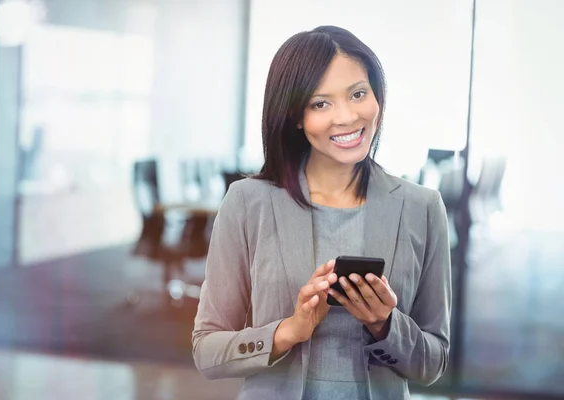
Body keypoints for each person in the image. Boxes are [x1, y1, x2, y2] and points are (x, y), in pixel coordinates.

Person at [192, 25, 451, 400]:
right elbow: (207, 350)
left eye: (358, 94)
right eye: (320, 103)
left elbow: (434, 362)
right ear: (296, 115)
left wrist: (385, 324)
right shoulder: (248, 202)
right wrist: (288, 332)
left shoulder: (422, 208)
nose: (346, 118)